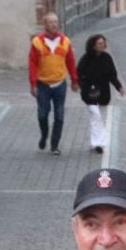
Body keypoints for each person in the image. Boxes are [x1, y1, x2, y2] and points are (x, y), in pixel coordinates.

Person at [27, 12, 79, 155]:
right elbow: (32, 64)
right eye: (51, 22)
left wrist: (74, 80)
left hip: (60, 84)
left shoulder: (65, 41)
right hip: (42, 85)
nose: (54, 24)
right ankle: (44, 135)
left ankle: (54, 145)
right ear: (45, 24)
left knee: (59, 115)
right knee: (43, 114)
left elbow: (71, 62)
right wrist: (33, 84)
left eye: (56, 21)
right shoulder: (37, 42)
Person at [77, 34, 126, 156]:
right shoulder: (86, 58)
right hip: (89, 93)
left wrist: (119, 87)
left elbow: (112, 75)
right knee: (96, 116)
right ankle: (97, 143)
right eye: (99, 43)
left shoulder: (107, 58)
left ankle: (99, 143)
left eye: (103, 43)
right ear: (93, 45)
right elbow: (78, 73)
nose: (102, 45)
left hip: (104, 93)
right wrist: (82, 85)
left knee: (100, 117)